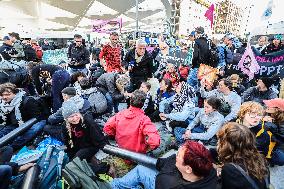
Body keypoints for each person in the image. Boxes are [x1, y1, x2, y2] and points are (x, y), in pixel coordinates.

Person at [111, 140, 218, 189]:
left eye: (179, 155)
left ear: (188, 169)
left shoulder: (167, 182)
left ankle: (111, 186)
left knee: (140, 170)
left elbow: (165, 169)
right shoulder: (208, 169)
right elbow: (165, 163)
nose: (176, 155)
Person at [103, 90, 160, 154]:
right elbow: (155, 142)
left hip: (121, 150)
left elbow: (107, 128)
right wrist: (147, 149)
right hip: (137, 155)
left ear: (130, 101)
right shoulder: (144, 119)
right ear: (143, 104)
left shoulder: (120, 114)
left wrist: (115, 135)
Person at [217, 122, 270, 189]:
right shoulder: (261, 158)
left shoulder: (230, 169)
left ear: (226, 144)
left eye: (220, 139)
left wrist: (220, 176)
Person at [0, 83, 46, 150]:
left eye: (7, 95)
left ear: (15, 93)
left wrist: (23, 127)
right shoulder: (4, 105)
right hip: (16, 124)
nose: (4, 97)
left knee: (34, 129)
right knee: (3, 132)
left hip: (32, 122)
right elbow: (7, 122)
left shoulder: (27, 101)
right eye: (2, 95)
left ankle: (12, 147)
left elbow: (37, 117)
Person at [237, 101, 284, 165]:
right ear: (243, 114)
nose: (256, 117)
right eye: (252, 113)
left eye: (259, 115)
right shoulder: (233, 124)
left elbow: (253, 154)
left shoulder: (263, 134)